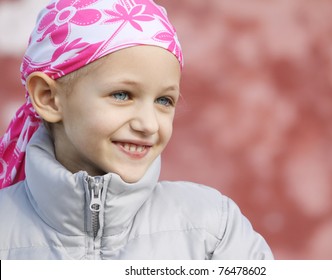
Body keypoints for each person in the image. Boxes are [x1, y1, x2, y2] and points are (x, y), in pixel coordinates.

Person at [0, 0, 273, 260]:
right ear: (48, 97)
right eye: (122, 95)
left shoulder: (212, 228)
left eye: (164, 101)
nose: (148, 124)